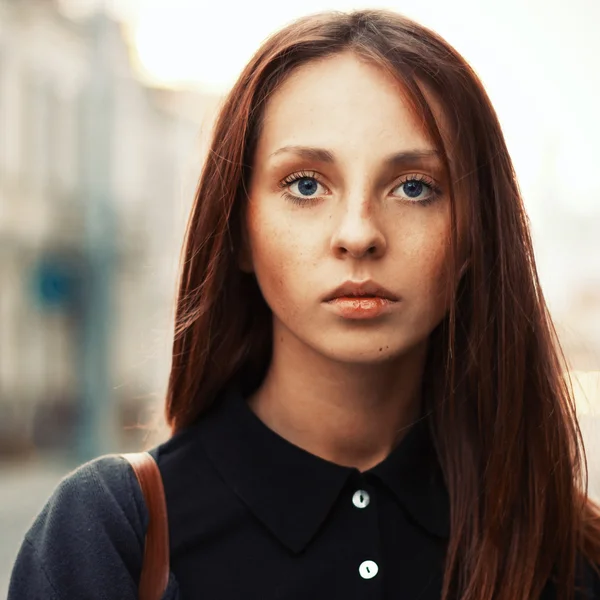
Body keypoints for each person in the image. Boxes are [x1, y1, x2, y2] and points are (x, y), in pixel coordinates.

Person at [8, 8, 600, 600]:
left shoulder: (566, 552)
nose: (359, 233)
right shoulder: (114, 533)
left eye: (414, 187)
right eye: (306, 185)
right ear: (239, 229)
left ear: (474, 235)